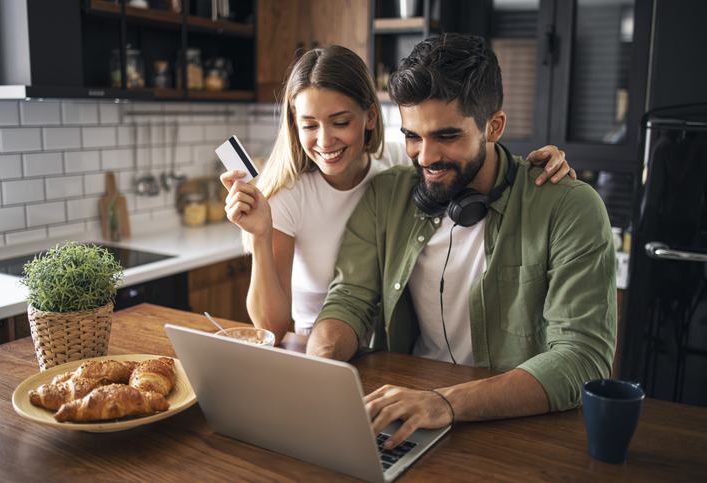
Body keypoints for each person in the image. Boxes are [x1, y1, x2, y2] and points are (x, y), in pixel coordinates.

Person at [306, 34, 617, 450]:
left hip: (517, 426)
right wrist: (314, 371)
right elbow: (350, 299)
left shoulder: (568, 207)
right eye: (413, 137)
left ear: (494, 126)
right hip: (408, 411)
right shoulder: (387, 195)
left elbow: (582, 358)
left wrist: (443, 403)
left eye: (447, 136)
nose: (426, 157)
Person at [222, 45, 575, 344]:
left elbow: (460, 152)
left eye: (340, 122)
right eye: (309, 125)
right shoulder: (288, 196)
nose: (325, 141)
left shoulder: (396, 161)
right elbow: (268, 329)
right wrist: (260, 237)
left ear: (370, 117)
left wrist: (528, 170)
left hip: (387, 344)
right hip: (321, 342)